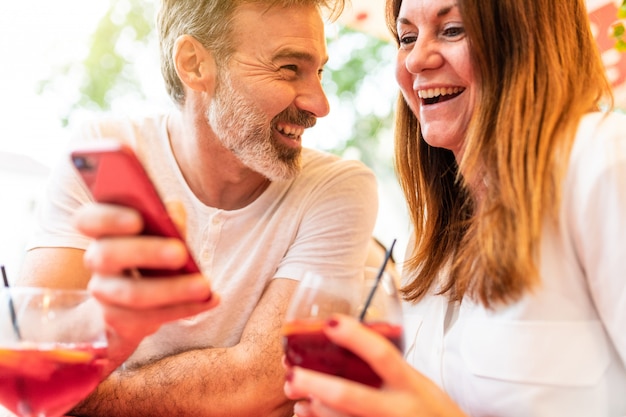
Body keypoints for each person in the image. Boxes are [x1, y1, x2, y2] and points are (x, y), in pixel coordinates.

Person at [14, 0, 379, 416]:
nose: (320, 103)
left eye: (319, 71)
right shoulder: (101, 151)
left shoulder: (336, 188)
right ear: (194, 64)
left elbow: (268, 376)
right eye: (289, 68)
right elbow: (33, 369)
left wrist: (84, 398)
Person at [283, 0, 626, 416]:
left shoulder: (603, 158)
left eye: (452, 30)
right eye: (407, 37)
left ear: (526, 41)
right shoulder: (428, 241)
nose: (416, 60)